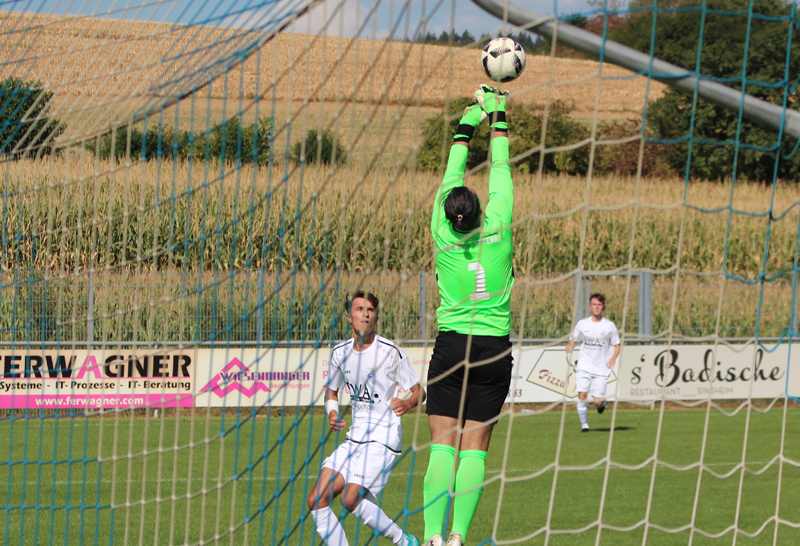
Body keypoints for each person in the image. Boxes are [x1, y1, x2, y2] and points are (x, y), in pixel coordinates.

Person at [423, 85, 515, 546]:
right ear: (479, 210)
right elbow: (500, 169)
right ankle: (458, 537)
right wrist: (498, 113)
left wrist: (468, 119)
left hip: (453, 344)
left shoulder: (442, 234)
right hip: (494, 348)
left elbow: (451, 170)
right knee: (475, 447)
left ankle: (431, 539)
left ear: (448, 213)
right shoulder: (498, 224)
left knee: (443, 441)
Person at [308, 290, 425, 546]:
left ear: (376, 317)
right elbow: (332, 391)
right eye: (360, 309)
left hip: (384, 439)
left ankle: (405, 542)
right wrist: (332, 412)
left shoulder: (390, 352)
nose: (365, 314)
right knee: (317, 499)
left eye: (370, 310)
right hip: (355, 439)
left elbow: (420, 391)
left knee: (350, 500)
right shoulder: (340, 353)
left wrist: (407, 403)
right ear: (349, 316)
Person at [565, 293, 621, 432]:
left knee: (598, 401)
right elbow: (574, 340)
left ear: (603, 307)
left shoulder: (609, 326)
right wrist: (569, 346)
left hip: (601, 367)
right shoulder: (582, 324)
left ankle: (601, 405)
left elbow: (617, 345)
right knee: (582, 394)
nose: (597, 307)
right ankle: (585, 426)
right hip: (584, 365)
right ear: (590, 307)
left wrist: (613, 358)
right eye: (594, 305)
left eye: (599, 305)